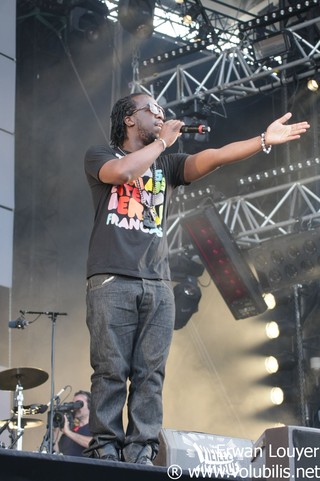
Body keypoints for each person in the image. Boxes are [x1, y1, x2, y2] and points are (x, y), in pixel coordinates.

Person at [83, 92, 310, 465]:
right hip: (112, 280)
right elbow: (122, 174)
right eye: (152, 109)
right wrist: (161, 141)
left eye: (162, 110)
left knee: (150, 374)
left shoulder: (167, 165)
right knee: (110, 371)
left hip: (157, 282)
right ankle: (106, 449)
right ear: (128, 119)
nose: (160, 114)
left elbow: (216, 157)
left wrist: (264, 140)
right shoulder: (101, 155)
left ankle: (141, 450)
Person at [53, 390, 92, 457]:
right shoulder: (70, 430)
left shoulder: (96, 427)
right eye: (73, 404)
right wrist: (55, 430)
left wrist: (68, 432)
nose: (75, 407)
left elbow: (94, 444)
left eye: (79, 403)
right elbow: (57, 454)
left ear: (90, 405)